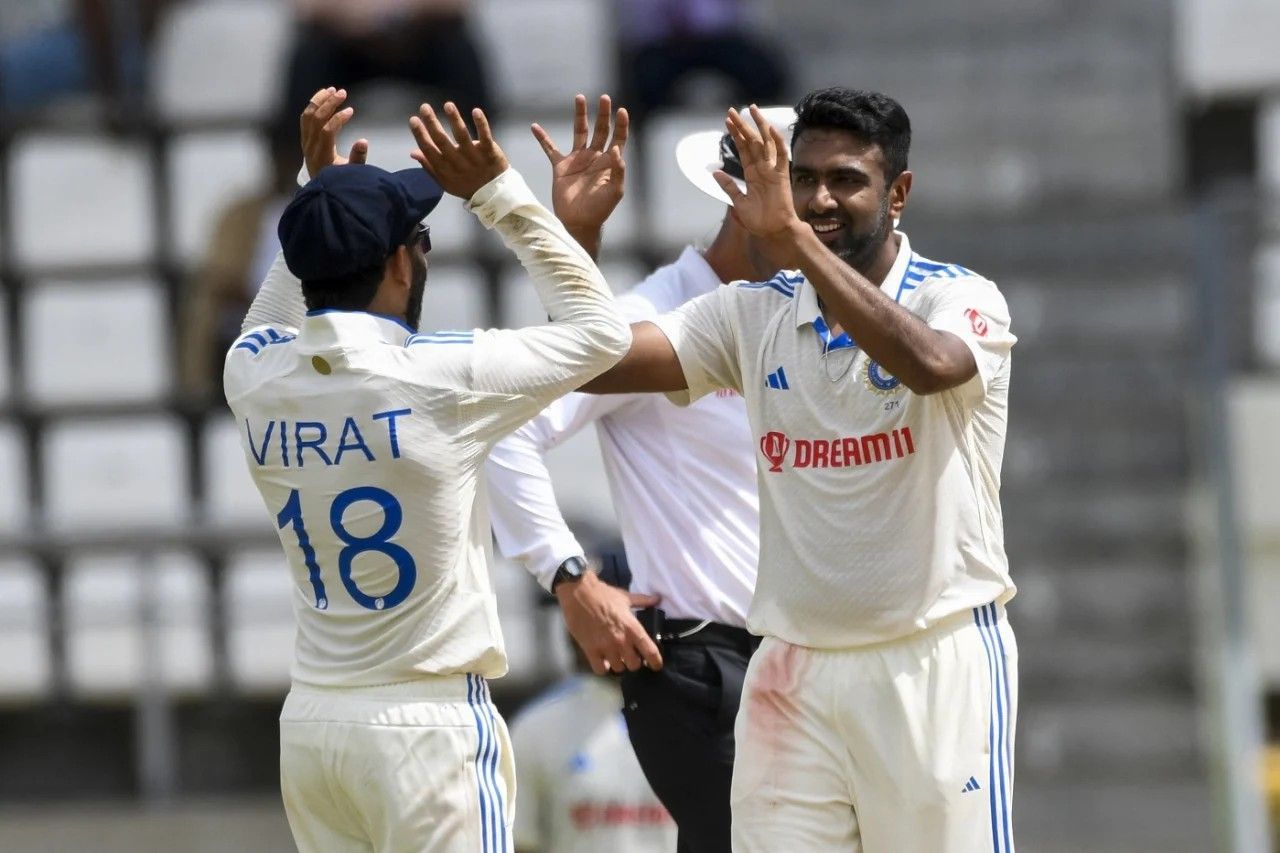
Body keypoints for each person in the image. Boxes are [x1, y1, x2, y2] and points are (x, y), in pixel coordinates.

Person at [582, 88, 1018, 852]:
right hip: (793, 670)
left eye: (845, 179)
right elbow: (593, 366)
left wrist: (795, 241)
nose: (820, 198)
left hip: (931, 661)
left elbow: (932, 366)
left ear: (899, 193)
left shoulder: (959, 295)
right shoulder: (752, 312)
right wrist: (574, 234)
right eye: (804, 178)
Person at [222, 86, 631, 852]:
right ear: (398, 266)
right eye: (422, 239)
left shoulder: (253, 376)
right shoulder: (442, 376)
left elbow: (268, 318)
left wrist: (316, 198)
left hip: (314, 724)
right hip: (427, 727)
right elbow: (602, 333)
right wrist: (498, 194)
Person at [486, 106, 794, 853]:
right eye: (789, 190)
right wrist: (571, 579)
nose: (806, 215)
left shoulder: (807, 314)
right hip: (704, 664)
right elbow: (507, 426)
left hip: (799, 656)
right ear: (734, 195)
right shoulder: (654, 316)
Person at [508, 560, 677, 853]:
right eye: (575, 609)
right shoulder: (536, 728)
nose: (578, 625)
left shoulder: (701, 718)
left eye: (597, 612)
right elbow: (520, 843)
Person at [280, 0, 494, 129]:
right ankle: (291, 168)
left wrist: (398, 13)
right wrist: (365, 19)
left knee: (459, 48)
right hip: (347, 49)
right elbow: (307, 9)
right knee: (309, 54)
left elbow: (457, 6)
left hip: (422, 43)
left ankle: (486, 156)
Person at [615, 0, 789, 123]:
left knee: (763, 73)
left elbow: (735, 16)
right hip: (663, 43)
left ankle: (765, 137)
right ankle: (649, 140)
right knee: (646, 80)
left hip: (718, 39)